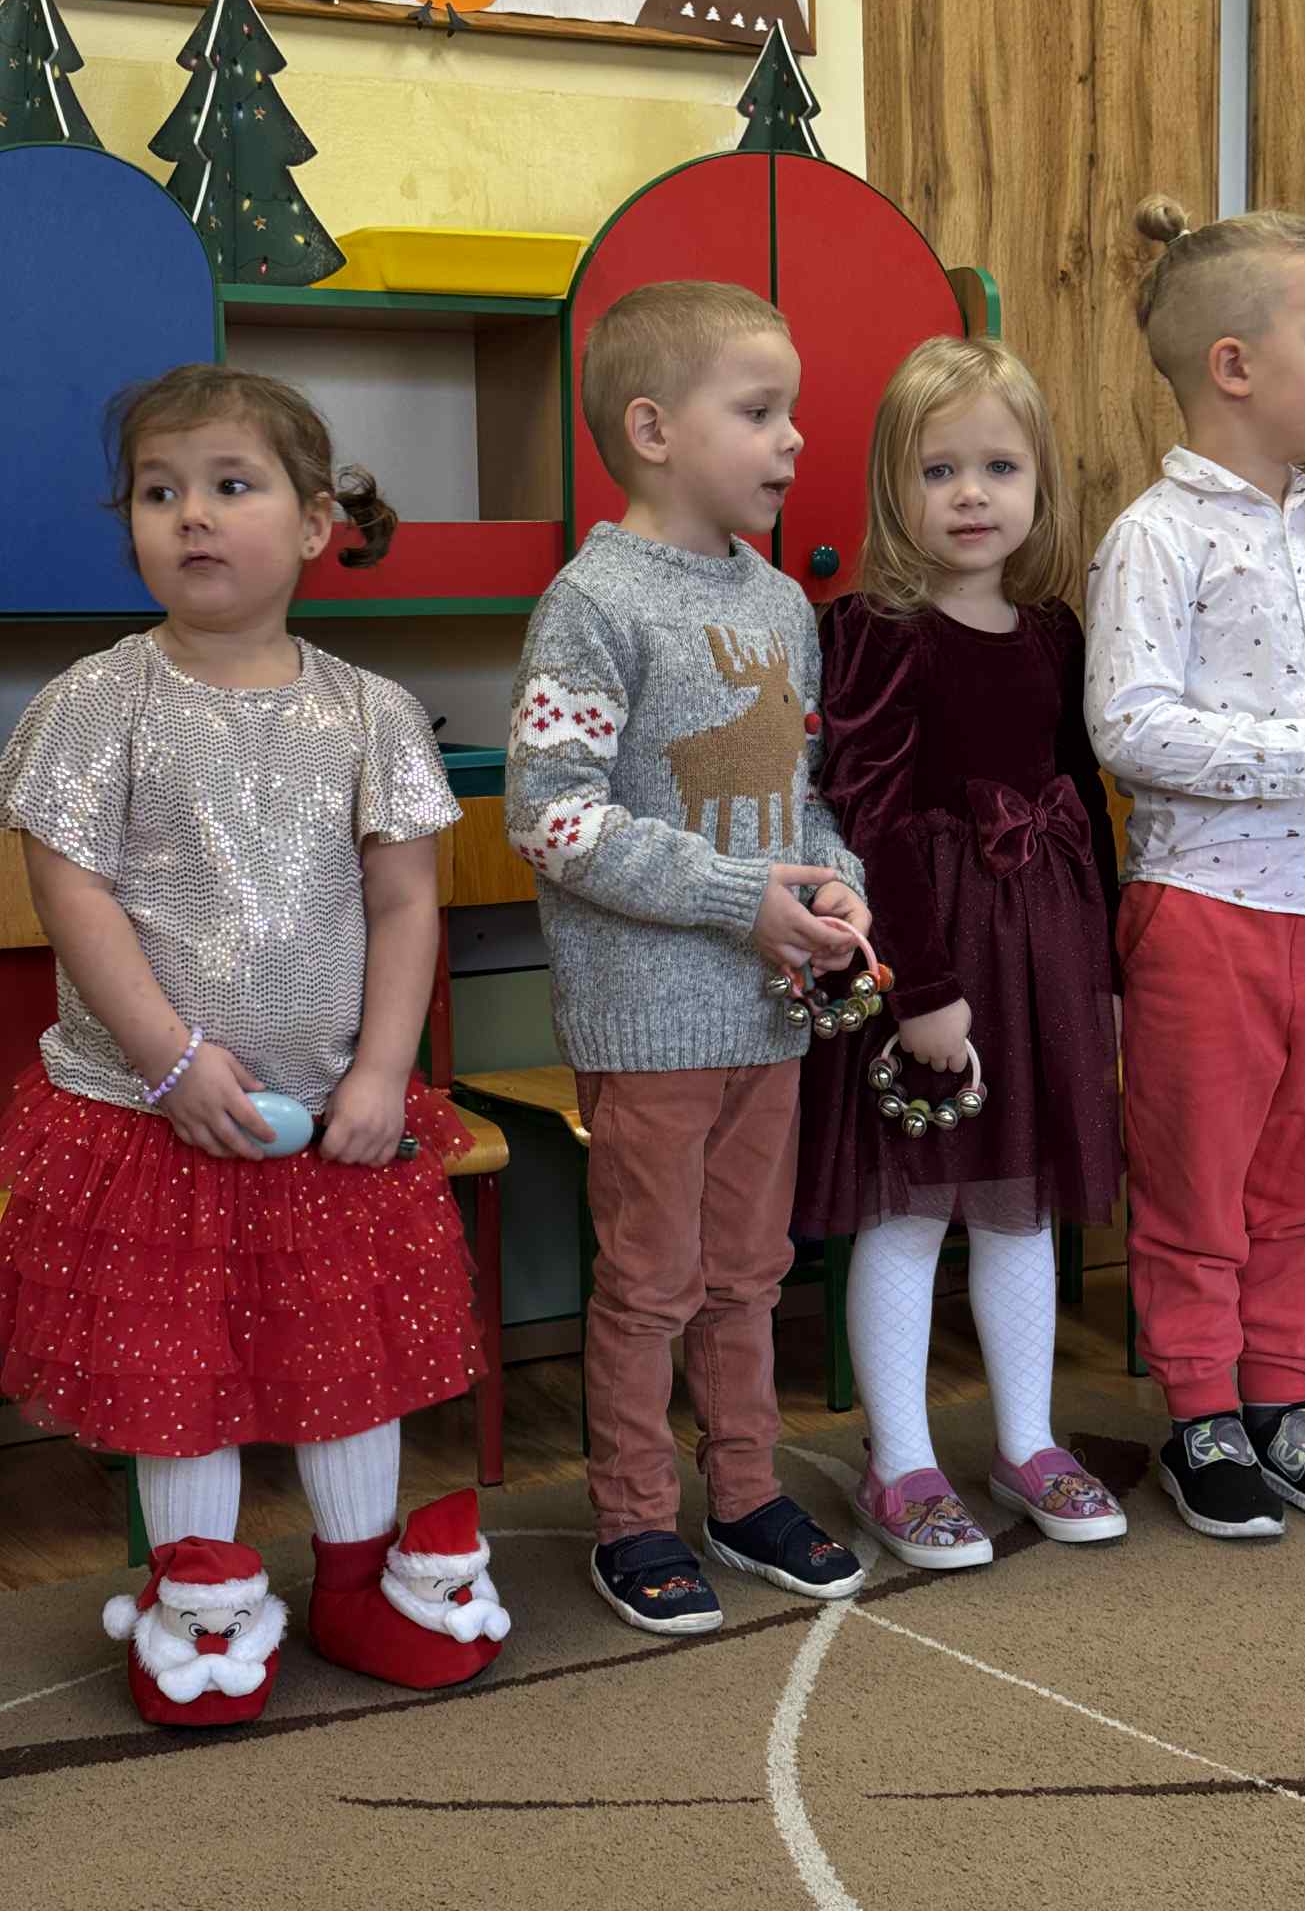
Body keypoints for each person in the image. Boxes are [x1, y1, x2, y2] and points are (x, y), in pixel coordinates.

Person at [0, 365, 508, 1725]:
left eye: (231, 485)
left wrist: (384, 1072)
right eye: (158, 491)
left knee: (348, 1358)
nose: (192, 515)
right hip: (148, 1118)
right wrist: (170, 1061)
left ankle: (353, 1585)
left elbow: (404, 904)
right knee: (183, 1376)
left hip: (335, 1116)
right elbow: (70, 893)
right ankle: (199, 1610)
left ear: (315, 522)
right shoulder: (98, 702)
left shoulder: (370, 712)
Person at [504, 281, 871, 1635]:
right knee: (652, 1282)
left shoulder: (782, 605)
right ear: (654, 429)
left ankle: (748, 1492)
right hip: (649, 1022)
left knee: (750, 1272)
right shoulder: (593, 602)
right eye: (760, 411)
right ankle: (634, 1518)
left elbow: (799, 797)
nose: (792, 439)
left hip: (768, 1011)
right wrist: (739, 898)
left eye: (792, 412)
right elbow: (553, 815)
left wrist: (833, 883)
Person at [1084, 197, 1305, 1541]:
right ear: (1234, 365)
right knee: (1199, 1177)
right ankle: (1201, 1413)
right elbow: (1130, 727)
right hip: (1210, 912)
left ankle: (1287, 1398)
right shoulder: (1156, 537)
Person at [794, 335, 1127, 1568]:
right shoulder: (874, 630)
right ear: (895, 486)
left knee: (1019, 1205)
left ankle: (1026, 1440)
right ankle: (900, 1458)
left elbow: (1084, 797)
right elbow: (871, 818)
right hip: (929, 951)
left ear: (1039, 481)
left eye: (999, 467)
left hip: (1046, 947)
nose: (972, 494)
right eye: (940, 470)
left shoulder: (1052, 629)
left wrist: (1107, 976)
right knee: (912, 1208)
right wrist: (921, 993)